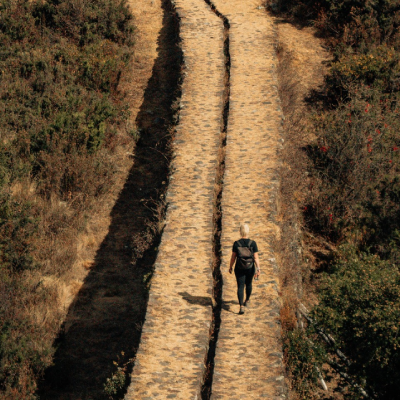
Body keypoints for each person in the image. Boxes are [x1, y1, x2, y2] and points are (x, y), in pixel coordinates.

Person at [229, 223, 260, 314]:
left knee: (240, 286)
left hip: (239, 267)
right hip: (250, 267)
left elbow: (233, 257)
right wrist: (258, 268)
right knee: (249, 284)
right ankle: (247, 300)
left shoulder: (236, 243)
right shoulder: (253, 243)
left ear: (240, 231)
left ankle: (241, 306)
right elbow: (256, 258)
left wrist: (230, 266)